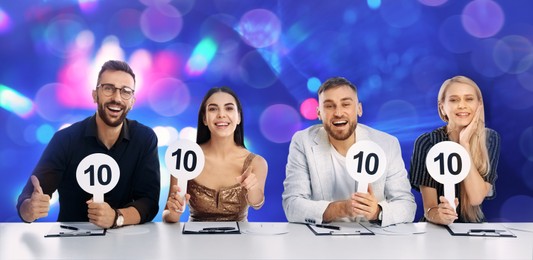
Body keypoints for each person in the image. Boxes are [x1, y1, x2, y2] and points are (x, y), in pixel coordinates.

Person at [17, 60, 160, 229]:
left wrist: (117, 217)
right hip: (72, 242)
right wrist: (30, 210)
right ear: (95, 95)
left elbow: (149, 202)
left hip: (126, 240)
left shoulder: (144, 139)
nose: (116, 98)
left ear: (132, 101)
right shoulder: (65, 139)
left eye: (125, 92)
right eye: (108, 88)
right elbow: (29, 197)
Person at [282, 77, 416, 227]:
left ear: (359, 109)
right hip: (321, 240)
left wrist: (377, 212)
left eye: (345, 104)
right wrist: (340, 209)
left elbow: (407, 206)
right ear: (319, 113)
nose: (338, 113)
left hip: (375, 241)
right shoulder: (303, 142)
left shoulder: (387, 144)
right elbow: (292, 205)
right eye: (329, 106)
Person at [163, 87, 268, 222]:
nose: (221, 115)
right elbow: (167, 215)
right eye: (213, 109)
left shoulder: (256, 162)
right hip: (196, 241)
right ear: (204, 119)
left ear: (239, 117)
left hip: (240, 241)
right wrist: (174, 212)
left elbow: (257, 203)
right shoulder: (184, 156)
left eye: (229, 108)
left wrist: (252, 188)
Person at [410, 75, 500, 225]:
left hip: (473, 230)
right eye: (454, 100)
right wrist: (440, 215)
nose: (462, 105)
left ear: (479, 105)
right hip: (436, 231)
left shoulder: (489, 139)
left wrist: (464, 143)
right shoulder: (427, 142)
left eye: (469, 99)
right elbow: (429, 208)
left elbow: (476, 197)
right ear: (442, 107)